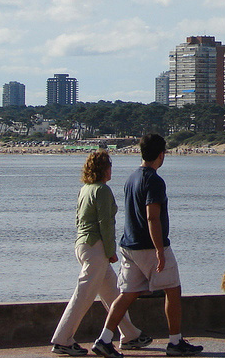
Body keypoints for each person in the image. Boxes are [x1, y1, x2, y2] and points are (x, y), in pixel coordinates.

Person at [92, 134, 203, 358]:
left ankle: (104, 339)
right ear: (161, 155)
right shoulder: (154, 181)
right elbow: (152, 216)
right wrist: (160, 250)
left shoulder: (131, 178)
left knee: (127, 294)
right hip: (149, 246)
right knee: (173, 289)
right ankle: (175, 341)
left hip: (129, 245)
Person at [50, 151, 151, 356]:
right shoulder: (102, 190)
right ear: (104, 169)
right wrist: (110, 251)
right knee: (83, 295)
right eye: (109, 166)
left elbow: (79, 219)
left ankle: (130, 335)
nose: (111, 170)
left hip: (82, 245)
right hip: (96, 248)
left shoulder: (85, 189)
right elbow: (106, 223)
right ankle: (62, 339)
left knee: (112, 292)